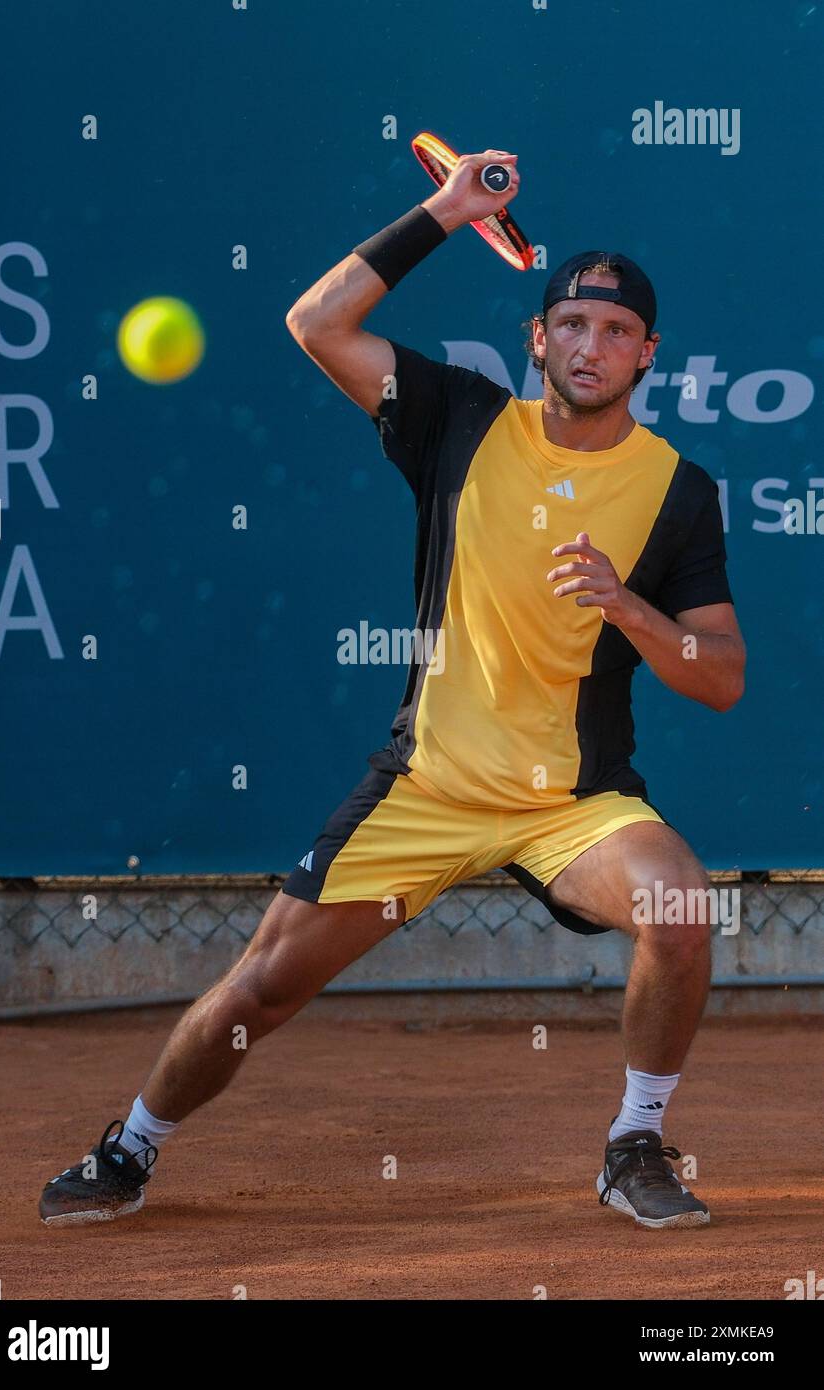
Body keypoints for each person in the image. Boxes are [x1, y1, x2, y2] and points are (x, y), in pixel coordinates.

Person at [40, 148, 745, 1231]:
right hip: (425, 783)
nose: (588, 345)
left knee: (679, 906)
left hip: (570, 801)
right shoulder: (456, 419)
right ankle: (129, 1147)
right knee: (262, 988)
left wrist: (629, 607)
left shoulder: (676, 490)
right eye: (569, 324)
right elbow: (315, 323)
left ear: (647, 352)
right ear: (537, 339)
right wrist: (446, 211)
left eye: (613, 331)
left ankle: (633, 1142)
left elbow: (722, 678)